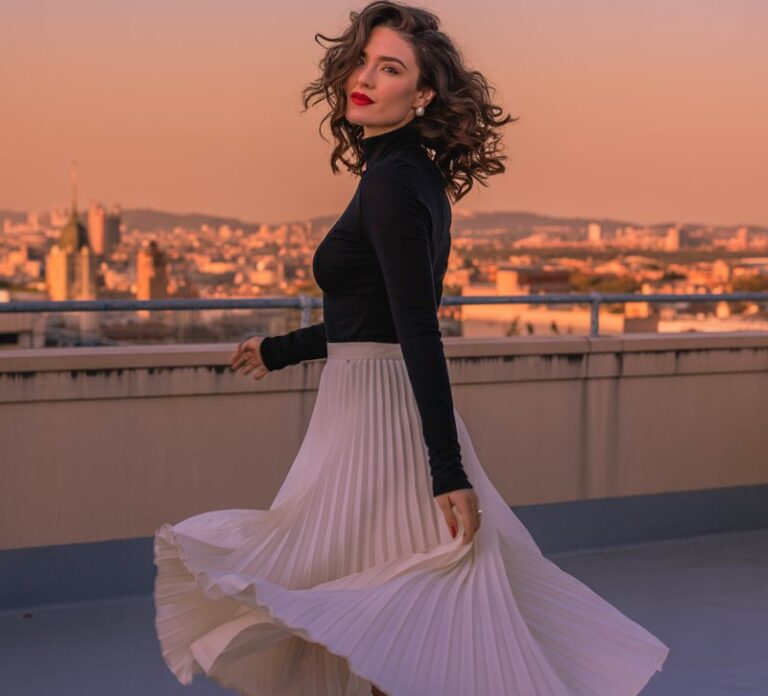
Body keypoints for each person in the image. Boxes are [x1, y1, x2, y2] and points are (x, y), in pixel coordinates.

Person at [153, 2, 670, 694]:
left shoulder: (394, 182)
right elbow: (372, 318)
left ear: (422, 94)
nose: (364, 77)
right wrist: (279, 350)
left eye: (389, 67)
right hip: (366, 411)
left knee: (385, 617)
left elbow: (417, 329)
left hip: (379, 427)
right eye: (362, 61)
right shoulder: (400, 175)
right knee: (385, 620)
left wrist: (446, 470)